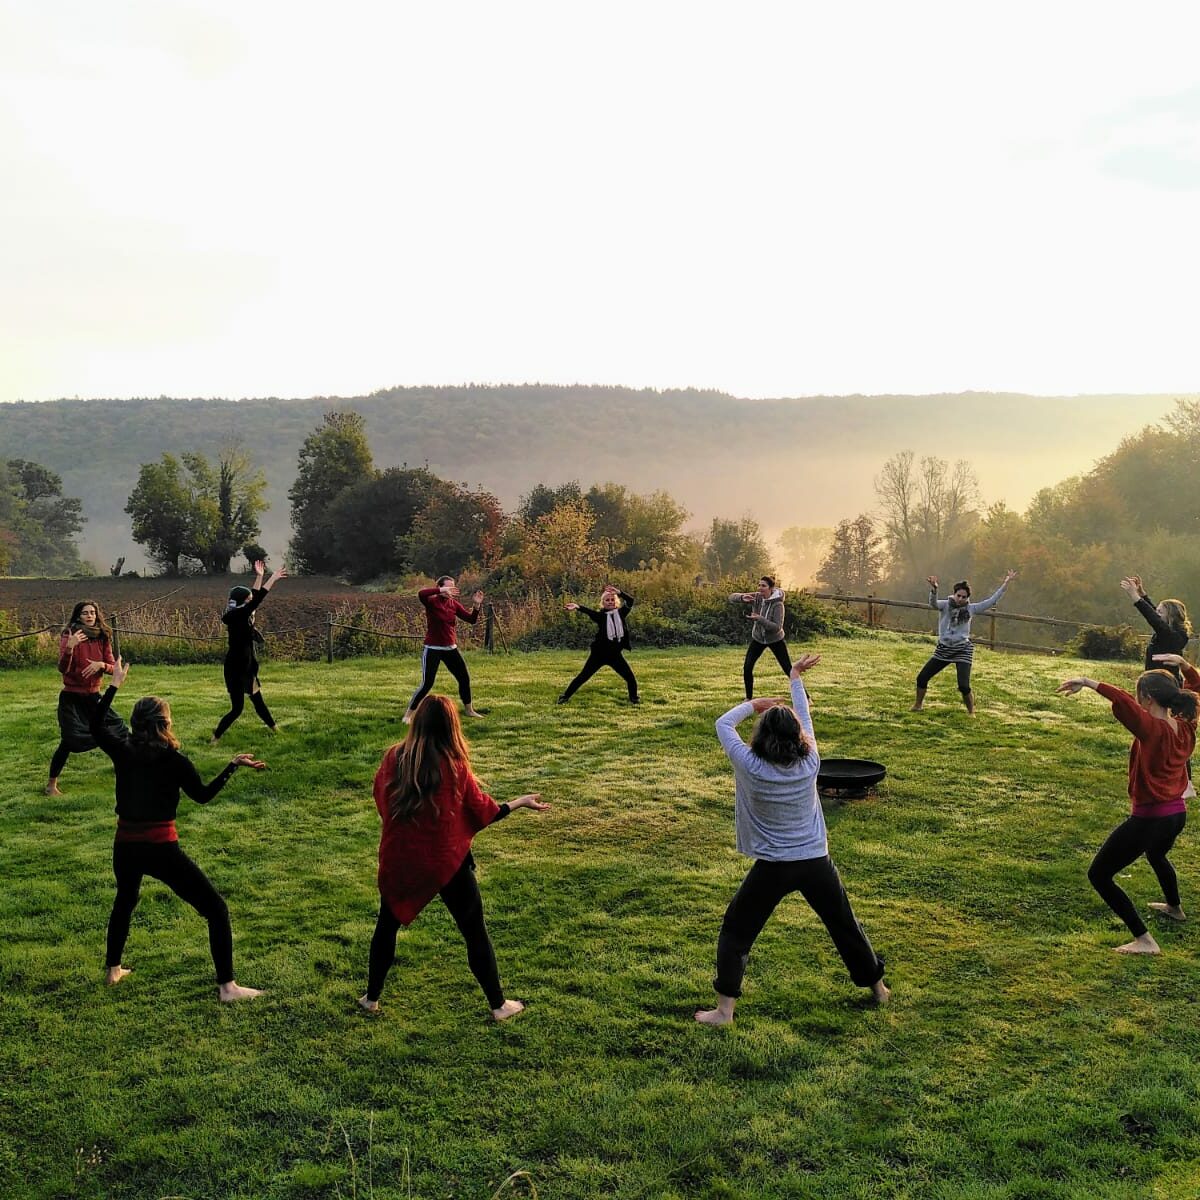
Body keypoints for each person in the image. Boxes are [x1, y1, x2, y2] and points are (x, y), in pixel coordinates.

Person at [696, 655, 888, 1026]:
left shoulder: (748, 763)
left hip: (774, 869)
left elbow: (723, 723)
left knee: (737, 931)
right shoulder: (811, 759)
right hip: (817, 862)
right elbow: (805, 716)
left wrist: (754, 705)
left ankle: (724, 1011)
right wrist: (795, 677)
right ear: (797, 735)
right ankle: (878, 989)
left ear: (761, 736)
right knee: (844, 925)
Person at [359, 694, 549, 1019]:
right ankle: (499, 1005)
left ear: (417, 723)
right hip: (447, 861)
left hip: (400, 858)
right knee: (474, 930)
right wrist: (519, 802)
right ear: (452, 727)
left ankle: (371, 999)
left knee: (386, 927)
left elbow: (383, 802)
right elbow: (482, 810)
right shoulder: (454, 766)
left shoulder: (394, 758)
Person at [89, 656, 267, 1000]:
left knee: (125, 899)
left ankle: (113, 970)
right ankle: (228, 987)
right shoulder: (175, 761)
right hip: (160, 848)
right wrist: (232, 766)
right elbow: (202, 797)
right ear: (164, 723)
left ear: (137, 723)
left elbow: (96, 726)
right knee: (216, 909)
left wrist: (113, 686)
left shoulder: (123, 750)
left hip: (125, 844)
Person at [1056, 653, 1198, 954]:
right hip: (1176, 815)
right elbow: (1197, 690)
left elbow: (1123, 704)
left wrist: (1089, 682)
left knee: (1099, 875)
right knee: (1157, 855)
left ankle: (1144, 940)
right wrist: (1185, 666)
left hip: (1151, 818)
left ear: (1146, 699)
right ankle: (1175, 908)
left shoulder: (1153, 729)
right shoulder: (1186, 727)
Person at [46, 599, 128, 796]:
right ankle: (51, 785)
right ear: (78, 616)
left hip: (94, 697)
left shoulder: (102, 636)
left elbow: (111, 667)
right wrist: (70, 648)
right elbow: (62, 668)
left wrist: (101, 665)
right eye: (85, 613)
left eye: (92, 612)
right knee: (70, 740)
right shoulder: (70, 635)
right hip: (72, 698)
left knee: (119, 730)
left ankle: (127, 772)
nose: (89, 616)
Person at [912, 570, 1018, 715]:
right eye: (958, 596)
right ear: (954, 594)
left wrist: (1006, 583)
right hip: (944, 649)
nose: (960, 599)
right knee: (922, 677)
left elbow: (992, 601)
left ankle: (971, 713)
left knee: (963, 686)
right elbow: (933, 604)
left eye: (964, 597)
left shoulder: (971, 609)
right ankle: (918, 705)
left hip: (963, 650)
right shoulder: (945, 605)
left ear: (968, 598)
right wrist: (935, 589)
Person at [212, 559, 287, 743]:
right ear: (241, 602)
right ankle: (215, 738)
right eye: (247, 600)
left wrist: (260, 576)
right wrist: (272, 579)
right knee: (237, 709)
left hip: (246, 667)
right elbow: (258, 598)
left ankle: (275, 729)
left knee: (258, 700)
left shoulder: (239, 613)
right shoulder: (239, 615)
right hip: (237, 669)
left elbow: (254, 597)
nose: (250, 601)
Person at [403, 576, 484, 724]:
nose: (450, 590)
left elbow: (471, 620)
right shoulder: (431, 602)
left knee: (464, 678)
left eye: (452, 588)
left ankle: (469, 710)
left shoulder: (454, 604)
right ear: (440, 587)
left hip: (450, 648)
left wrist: (476, 606)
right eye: (447, 587)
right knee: (427, 683)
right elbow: (421, 594)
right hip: (433, 648)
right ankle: (408, 715)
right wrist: (440, 590)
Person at [556, 584, 639, 705]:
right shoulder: (600, 617)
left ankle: (634, 699)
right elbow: (589, 612)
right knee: (583, 677)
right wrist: (577, 606)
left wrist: (619, 592)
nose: (610, 602)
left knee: (630, 678)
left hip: (615, 655)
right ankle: (564, 697)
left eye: (612, 599)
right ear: (603, 603)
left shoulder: (621, 613)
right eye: (607, 600)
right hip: (599, 655)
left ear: (616, 601)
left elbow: (631, 601)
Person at [729, 577, 791, 699]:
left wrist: (759, 619)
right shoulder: (757, 597)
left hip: (775, 640)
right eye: (759, 585)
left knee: (788, 669)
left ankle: (807, 698)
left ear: (771, 588)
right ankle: (748, 699)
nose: (760, 588)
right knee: (747, 667)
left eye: (763, 586)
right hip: (758, 639)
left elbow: (777, 627)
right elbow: (731, 597)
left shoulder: (778, 605)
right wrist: (742, 598)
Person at [1121, 575, 1192, 679]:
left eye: (1160, 612)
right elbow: (1154, 613)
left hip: (1164, 686)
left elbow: (1152, 617)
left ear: (1171, 616)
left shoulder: (1171, 636)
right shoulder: (1171, 632)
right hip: (1155, 682)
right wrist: (1142, 594)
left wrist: (1134, 595)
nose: (1156, 613)